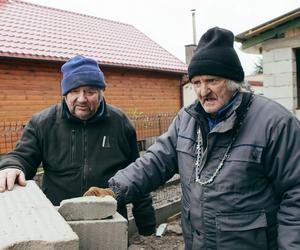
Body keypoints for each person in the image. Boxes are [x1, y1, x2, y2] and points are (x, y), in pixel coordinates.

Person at [84, 27, 300, 249]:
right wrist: (115, 190)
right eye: (196, 83)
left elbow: (296, 194)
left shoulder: (275, 123)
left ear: (233, 81)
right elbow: (155, 161)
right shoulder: (186, 120)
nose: (203, 91)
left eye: (212, 81)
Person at [0, 55, 156, 236]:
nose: (82, 98)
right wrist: (11, 166)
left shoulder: (120, 123)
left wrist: (146, 224)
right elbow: (22, 156)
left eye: (90, 91)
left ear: (101, 93)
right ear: (65, 93)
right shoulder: (43, 123)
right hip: (58, 222)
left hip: (108, 222)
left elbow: (136, 174)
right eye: (75, 91)